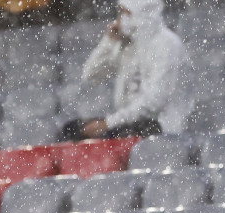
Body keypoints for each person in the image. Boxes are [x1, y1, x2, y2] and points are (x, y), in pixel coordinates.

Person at [61, 0, 193, 141]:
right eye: (120, 13)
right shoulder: (128, 44)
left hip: (161, 123)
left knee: (123, 132)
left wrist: (108, 123)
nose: (120, 19)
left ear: (142, 13)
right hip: (128, 122)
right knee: (73, 129)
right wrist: (109, 41)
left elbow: (155, 102)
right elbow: (91, 75)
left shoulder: (167, 44)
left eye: (126, 13)